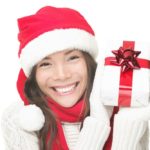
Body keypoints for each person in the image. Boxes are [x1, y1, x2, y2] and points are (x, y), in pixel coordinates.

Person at [1, 6, 150, 150]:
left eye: (72, 58)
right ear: (33, 74)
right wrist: (97, 123)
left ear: (88, 63)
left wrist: (127, 127)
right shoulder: (19, 120)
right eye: (45, 64)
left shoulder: (129, 111)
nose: (62, 75)